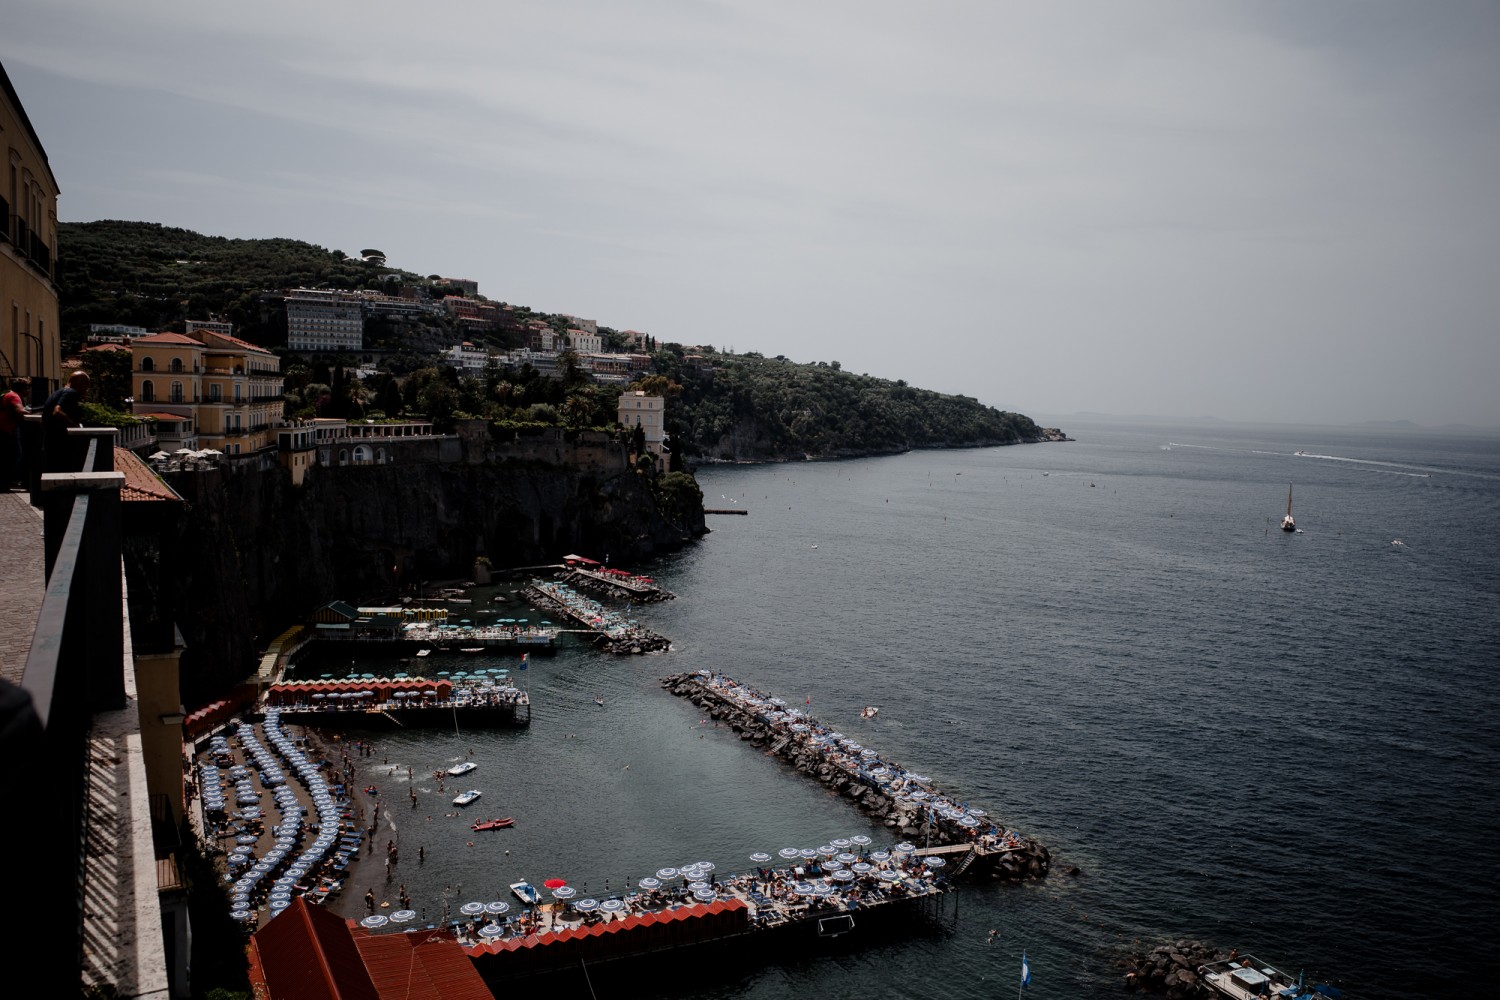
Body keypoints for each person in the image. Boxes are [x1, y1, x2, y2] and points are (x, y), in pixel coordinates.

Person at [40, 371, 89, 472]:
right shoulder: (71, 392)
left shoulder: (58, 392)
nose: (86, 390)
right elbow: (57, 412)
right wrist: (75, 427)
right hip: (60, 445)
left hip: (50, 442)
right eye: (86, 386)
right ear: (81, 384)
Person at [0, 379, 28, 489]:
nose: (28, 391)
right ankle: (6, 481)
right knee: (15, 454)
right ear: (22, 388)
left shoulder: (8, 394)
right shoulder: (14, 396)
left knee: (7, 455)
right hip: (5, 429)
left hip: (4, 428)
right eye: (27, 388)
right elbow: (20, 411)